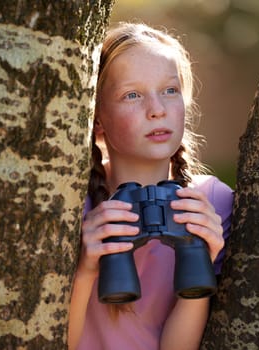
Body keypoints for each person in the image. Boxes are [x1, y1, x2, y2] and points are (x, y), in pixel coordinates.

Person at [68, 22, 234, 350]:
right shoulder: (73, 201)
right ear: (96, 118)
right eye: (132, 95)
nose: (157, 110)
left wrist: (199, 258)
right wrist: (87, 267)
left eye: (170, 90)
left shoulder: (213, 201)